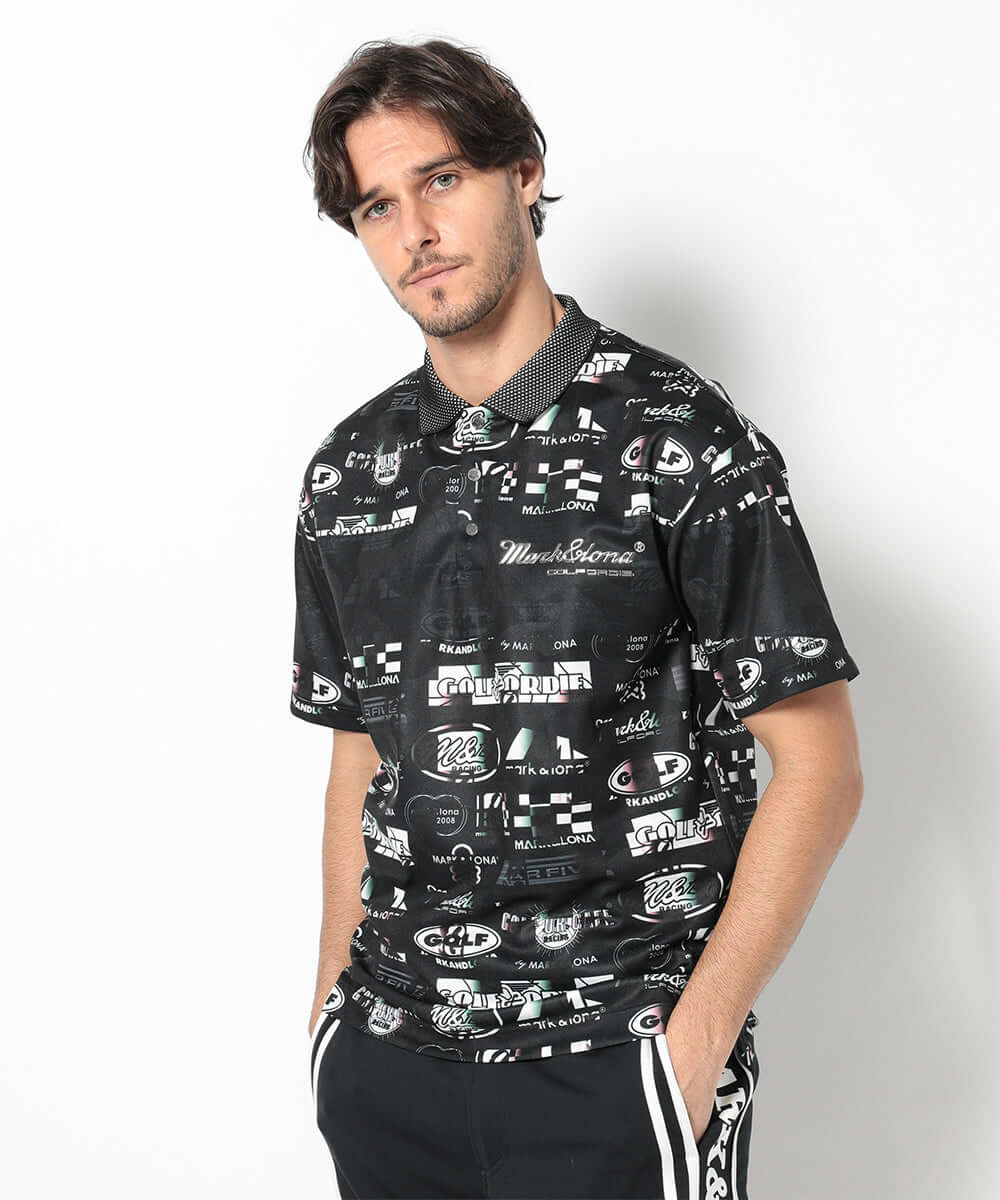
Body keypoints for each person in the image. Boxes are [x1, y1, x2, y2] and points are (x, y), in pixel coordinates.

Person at [292, 36, 863, 1200]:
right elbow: (360, 753)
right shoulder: (348, 474)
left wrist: (692, 1046)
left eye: (441, 179)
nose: (415, 232)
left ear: (523, 173)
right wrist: (328, 1020)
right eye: (377, 206)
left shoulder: (681, 438)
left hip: (619, 1062)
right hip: (390, 1067)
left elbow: (819, 764)